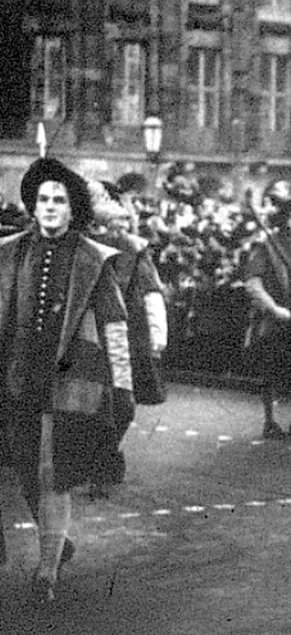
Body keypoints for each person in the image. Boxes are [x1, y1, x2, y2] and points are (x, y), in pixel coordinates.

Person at [0, 158, 134, 603]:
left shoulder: (94, 259)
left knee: (51, 473)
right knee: (24, 471)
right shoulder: (10, 251)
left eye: (59, 200)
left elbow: (115, 325)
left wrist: (124, 385)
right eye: (43, 200)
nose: (51, 206)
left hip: (71, 383)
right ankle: (56, 540)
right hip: (17, 376)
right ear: (33, 207)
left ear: (73, 208)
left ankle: (46, 572)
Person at [86, 181, 168, 493]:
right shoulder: (84, 251)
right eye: (114, 223)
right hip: (88, 337)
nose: (121, 228)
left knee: (124, 404)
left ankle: (105, 456)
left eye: (123, 222)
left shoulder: (136, 251)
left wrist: (157, 333)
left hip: (125, 337)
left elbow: (150, 292)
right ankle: (96, 461)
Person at [244, 197, 291, 441]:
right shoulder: (265, 246)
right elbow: (253, 282)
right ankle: (270, 421)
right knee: (270, 367)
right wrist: (273, 308)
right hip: (274, 312)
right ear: (282, 219)